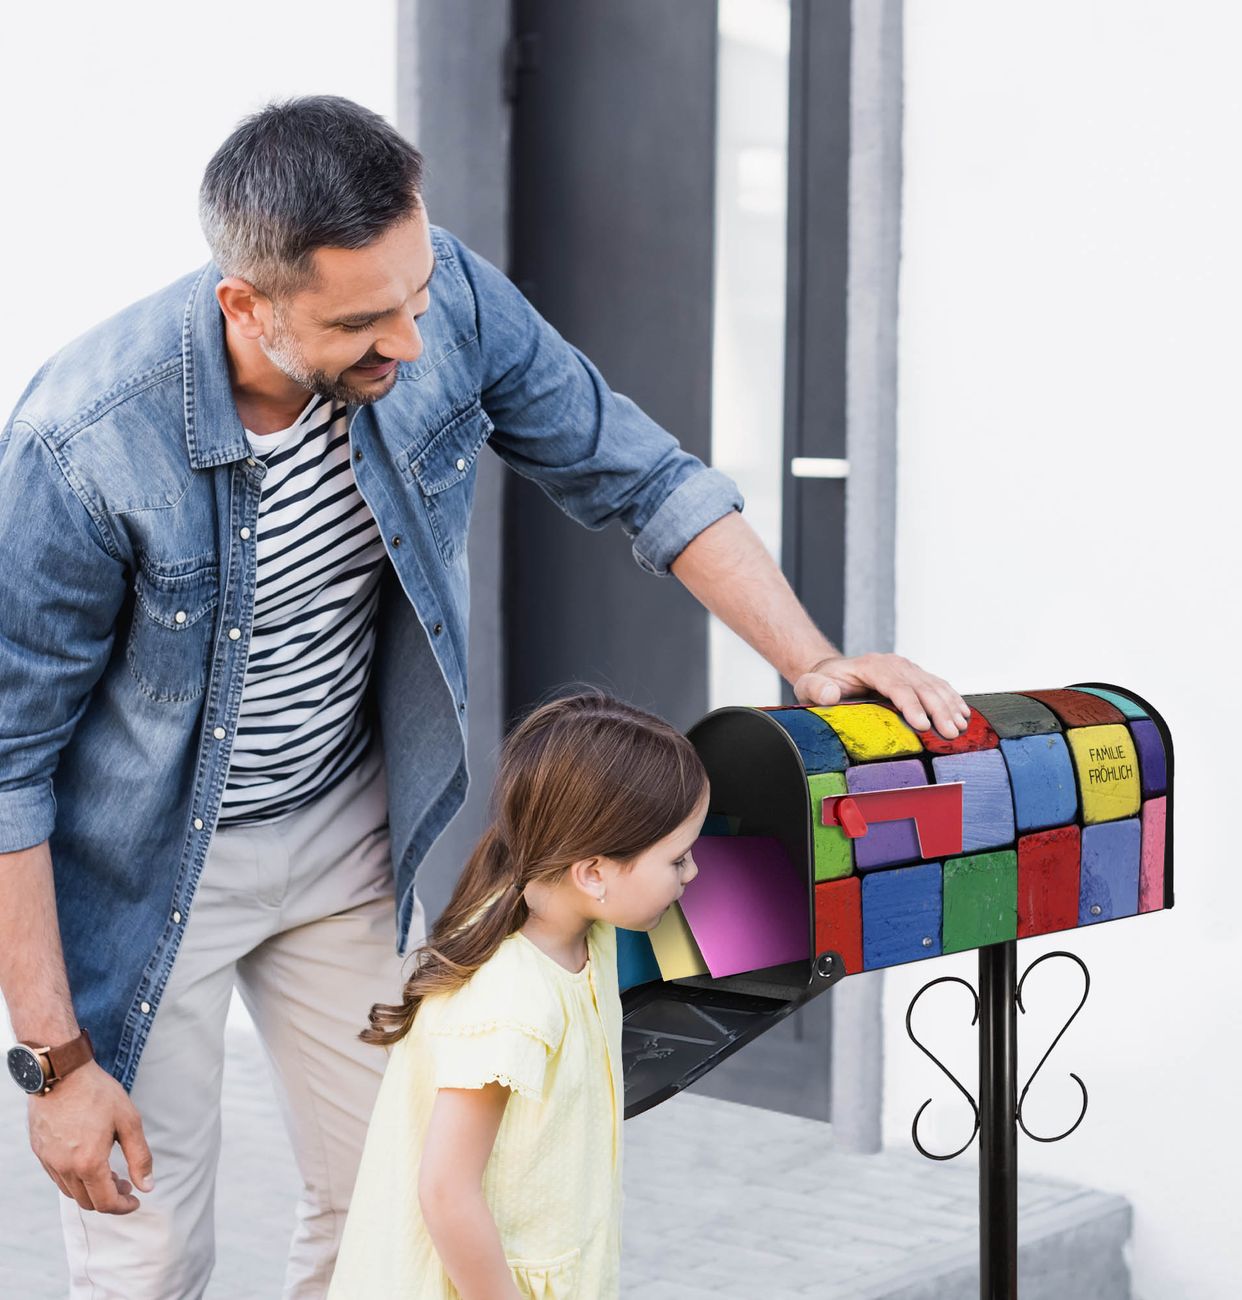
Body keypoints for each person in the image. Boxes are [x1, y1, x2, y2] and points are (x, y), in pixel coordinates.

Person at [0, 95, 968, 1298]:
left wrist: (812, 661)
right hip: (148, 874)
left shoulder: (443, 295)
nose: (408, 342)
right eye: (361, 322)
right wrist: (55, 1063)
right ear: (244, 305)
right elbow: (8, 766)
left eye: (412, 294)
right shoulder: (83, 442)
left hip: (345, 834)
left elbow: (641, 475)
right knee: (147, 1255)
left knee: (388, 1215)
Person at [327, 690, 707, 1299]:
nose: (693, 873)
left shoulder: (583, 927)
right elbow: (446, 1192)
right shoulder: (512, 1002)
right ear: (593, 873)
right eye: (679, 859)